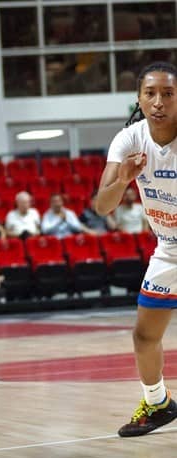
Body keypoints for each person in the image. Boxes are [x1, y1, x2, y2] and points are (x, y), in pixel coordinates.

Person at [95, 61, 177, 438]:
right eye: (150, 93)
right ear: (139, 99)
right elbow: (103, 206)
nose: (158, 101)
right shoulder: (129, 139)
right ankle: (157, 402)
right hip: (169, 248)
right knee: (144, 336)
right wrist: (124, 179)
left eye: (168, 93)